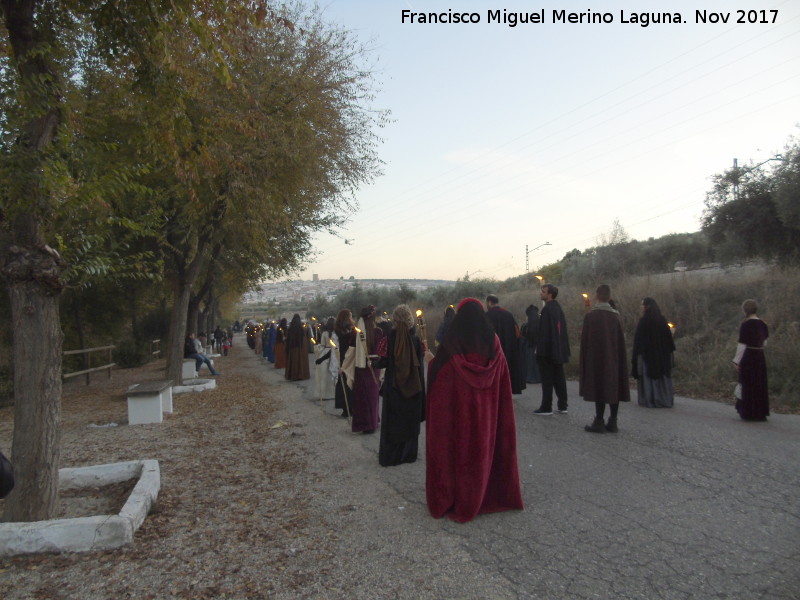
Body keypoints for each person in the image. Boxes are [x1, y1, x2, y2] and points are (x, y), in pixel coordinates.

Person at [425, 298, 523, 523]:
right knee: (487, 451)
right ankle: (488, 494)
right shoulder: (494, 344)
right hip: (488, 416)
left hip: (459, 418)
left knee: (457, 452)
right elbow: (503, 381)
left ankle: (456, 497)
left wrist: (430, 361)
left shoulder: (451, 345)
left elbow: (439, 383)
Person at [375, 305, 426, 467]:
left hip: (394, 387)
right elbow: (420, 366)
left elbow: (383, 361)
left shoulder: (389, 338)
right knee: (409, 420)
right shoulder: (416, 340)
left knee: (393, 421)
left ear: (395, 319)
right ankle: (408, 454)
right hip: (413, 388)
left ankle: (391, 456)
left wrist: (373, 362)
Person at [579, 284, 630, 433]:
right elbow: (621, 340)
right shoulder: (616, 316)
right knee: (614, 386)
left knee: (599, 385)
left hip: (596, 358)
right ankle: (613, 421)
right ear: (610, 297)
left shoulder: (590, 317)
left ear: (596, 297)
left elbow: (585, 340)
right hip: (614, 357)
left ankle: (599, 420)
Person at [345, 305, 384, 434]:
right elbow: (382, 352)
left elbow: (351, 352)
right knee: (373, 396)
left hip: (361, 368)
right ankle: (372, 422)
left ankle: (364, 424)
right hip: (374, 367)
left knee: (362, 397)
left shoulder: (356, 333)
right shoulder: (378, 331)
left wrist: (344, 366)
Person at [631, 297, 675, 408]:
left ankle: (650, 399)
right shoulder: (662, 319)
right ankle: (663, 398)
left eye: (642, 305)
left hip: (648, 356)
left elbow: (639, 340)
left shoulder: (644, 321)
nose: (641, 307)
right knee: (662, 377)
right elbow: (669, 340)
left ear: (647, 306)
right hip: (662, 356)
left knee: (649, 376)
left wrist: (637, 355)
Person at [534, 284, 570, 415]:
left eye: (543, 292)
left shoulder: (547, 310)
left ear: (550, 294)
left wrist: (540, 351)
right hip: (558, 350)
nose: (540, 293)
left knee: (547, 379)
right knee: (559, 378)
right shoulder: (557, 308)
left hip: (548, 351)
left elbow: (544, 333)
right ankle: (562, 405)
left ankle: (546, 406)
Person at [732, 299, 769, 421]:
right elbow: (765, 342)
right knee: (759, 383)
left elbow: (742, 345)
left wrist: (736, 361)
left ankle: (748, 412)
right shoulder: (763, 324)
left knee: (748, 383)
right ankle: (760, 412)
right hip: (759, 355)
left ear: (744, 310)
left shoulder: (746, 324)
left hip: (749, 355)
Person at [485, 295, 525, 395]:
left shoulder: (486, 316)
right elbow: (517, 334)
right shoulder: (508, 314)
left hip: (492, 352)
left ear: (489, 302)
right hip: (508, 351)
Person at [333, 309, 355, 418]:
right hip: (344, 357)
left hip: (350, 357)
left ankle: (350, 407)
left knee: (349, 381)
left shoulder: (347, 329)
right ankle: (346, 407)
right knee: (344, 382)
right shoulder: (339, 331)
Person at [314, 317, 337, 401]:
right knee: (332, 374)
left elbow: (322, 344)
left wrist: (317, 349)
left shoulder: (324, 333)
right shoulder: (336, 333)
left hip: (325, 352)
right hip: (334, 353)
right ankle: (333, 393)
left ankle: (324, 394)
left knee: (324, 375)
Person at [284, 314, 310, 381]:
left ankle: (293, 375)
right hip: (301, 348)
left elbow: (288, 339)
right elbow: (305, 339)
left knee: (293, 361)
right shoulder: (302, 329)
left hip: (293, 348)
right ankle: (301, 374)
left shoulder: (290, 329)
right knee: (301, 361)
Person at [521, 304, 541, 384]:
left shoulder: (526, 326)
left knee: (529, 361)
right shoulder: (542, 324)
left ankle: (529, 377)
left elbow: (522, 337)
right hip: (538, 347)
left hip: (528, 347)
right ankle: (538, 377)